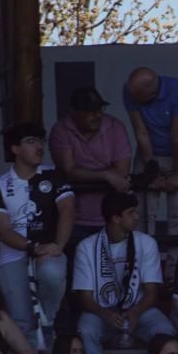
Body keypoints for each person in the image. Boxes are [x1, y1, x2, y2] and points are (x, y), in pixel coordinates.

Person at [71, 192, 172, 354]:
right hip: (101, 312)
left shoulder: (146, 243)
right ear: (116, 218)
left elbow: (151, 292)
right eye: (131, 212)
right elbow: (84, 297)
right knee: (86, 330)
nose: (137, 216)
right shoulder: (86, 247)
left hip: (139, 310)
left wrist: (134, 312)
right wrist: (105, 314)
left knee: (165, 330)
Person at [0, 122, 74, 339]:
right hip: (13, 256)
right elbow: (2, 229)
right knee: (22, 324)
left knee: (52, 274)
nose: (39, 147)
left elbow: (68, 210)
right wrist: (33, 247)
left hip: (50, 251)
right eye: (30, 141)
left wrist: (58, 247)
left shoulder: (53, 174)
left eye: (40, 141)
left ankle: (49, 321)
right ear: (15, 149)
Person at [48, 85, 133, 245]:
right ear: (73, 112)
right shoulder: (61, 129)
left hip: (112, 215)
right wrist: (106, 175)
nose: (98, 114)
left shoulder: (115, 127)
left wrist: (86, 174)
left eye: (100, 109)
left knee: (114, 267)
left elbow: (122, 172)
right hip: (74, 216)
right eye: (90, 111)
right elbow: (69, 171)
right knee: (77, 266)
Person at [123, 67, 178, 237]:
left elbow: (177, 137)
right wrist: (151, 170)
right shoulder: (129, 90)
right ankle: (141, 262)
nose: (131, 97)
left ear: (151, 92)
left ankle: (176, 264)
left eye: (136, 95)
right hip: (148, 153)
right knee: (140, 216)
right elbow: (141, 133)